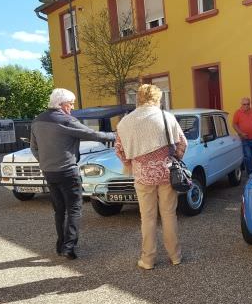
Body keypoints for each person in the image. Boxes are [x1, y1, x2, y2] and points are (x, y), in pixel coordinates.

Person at [30, 88, 116, 260]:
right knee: (74, 209)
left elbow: (34, 148)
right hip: (68, 172)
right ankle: (68, 247)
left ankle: (60, 244)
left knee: (59, 210)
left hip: (49, 172)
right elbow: (92, 134)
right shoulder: (66, 120)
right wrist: (115, 135)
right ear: (61, 105)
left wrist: (45, 162)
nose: (72, 107)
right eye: (70, 104)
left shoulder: (37, 121)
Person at [115, 84, 187, 270]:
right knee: (169, 214)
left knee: (147, 217)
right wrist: (175, 159)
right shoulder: (166, 116)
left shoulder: (125, 122)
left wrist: (131, 164)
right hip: (166, 173)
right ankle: (175, 256)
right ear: (157, 98)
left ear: (138, 98)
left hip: (142, 175)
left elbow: (120, 151)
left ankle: (148, 259)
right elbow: (182, 143)